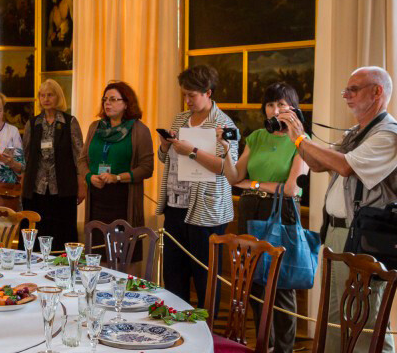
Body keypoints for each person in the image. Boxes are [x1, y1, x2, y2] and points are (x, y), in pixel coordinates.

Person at [281, 66, 397, 353]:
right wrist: (295, 137)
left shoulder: (390, 135)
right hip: (339, 234)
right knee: (335, 321)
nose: (346, 96)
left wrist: (301, 138)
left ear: (377, 93)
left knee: (365, 323)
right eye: (346, 89)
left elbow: (343, 167)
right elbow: (318, 164)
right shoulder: (361, 132)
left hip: (367, 239)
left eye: (353, 89)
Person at [221, 82, 310, 353]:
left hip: (281, 212)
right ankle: (265, 350)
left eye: (282, 105)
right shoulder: (257, 136)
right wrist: (225, 152)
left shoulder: (301, 141)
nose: (275, 110)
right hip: (250, 212)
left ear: (293, 108)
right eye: (270, 105)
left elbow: (291, 188)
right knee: (255, 284)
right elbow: (235, 176)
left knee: (282, 286)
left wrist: (255, 185)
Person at [156, 65, 238, 307]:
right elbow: (166, 159)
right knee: (174, 275)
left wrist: (191, 151)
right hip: (175, 206)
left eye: (192, 95)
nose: (187, 100)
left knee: (205, 279)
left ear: (208, 93)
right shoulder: (180, 119)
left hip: (206, 212)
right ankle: (176, 332)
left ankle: (207, 334)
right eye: (184, 94)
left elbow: (227, 169)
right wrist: (164, 146)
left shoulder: (224, 124)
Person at [21, 79, 86, 249]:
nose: (46, 99)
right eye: (42, 95)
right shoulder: (32, 123)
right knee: (38, 233)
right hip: (37, 190)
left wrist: (81, 184)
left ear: (58, 97)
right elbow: (25, 156)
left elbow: (79, 156)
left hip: (63, 189)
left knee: (61, 233)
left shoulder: (69, 122)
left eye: (50, 95)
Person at [84, 81, 155, 230]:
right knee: (96, 246)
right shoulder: (95, 128)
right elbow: (82, 160)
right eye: (105, 99)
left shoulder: (139, 130)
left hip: (124, 199)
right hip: (96, 195)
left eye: (113, 99)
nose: (107, 103)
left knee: (123, 250)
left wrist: (117, 177)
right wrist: (89, 177)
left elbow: (147, 168)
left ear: (126, 104)